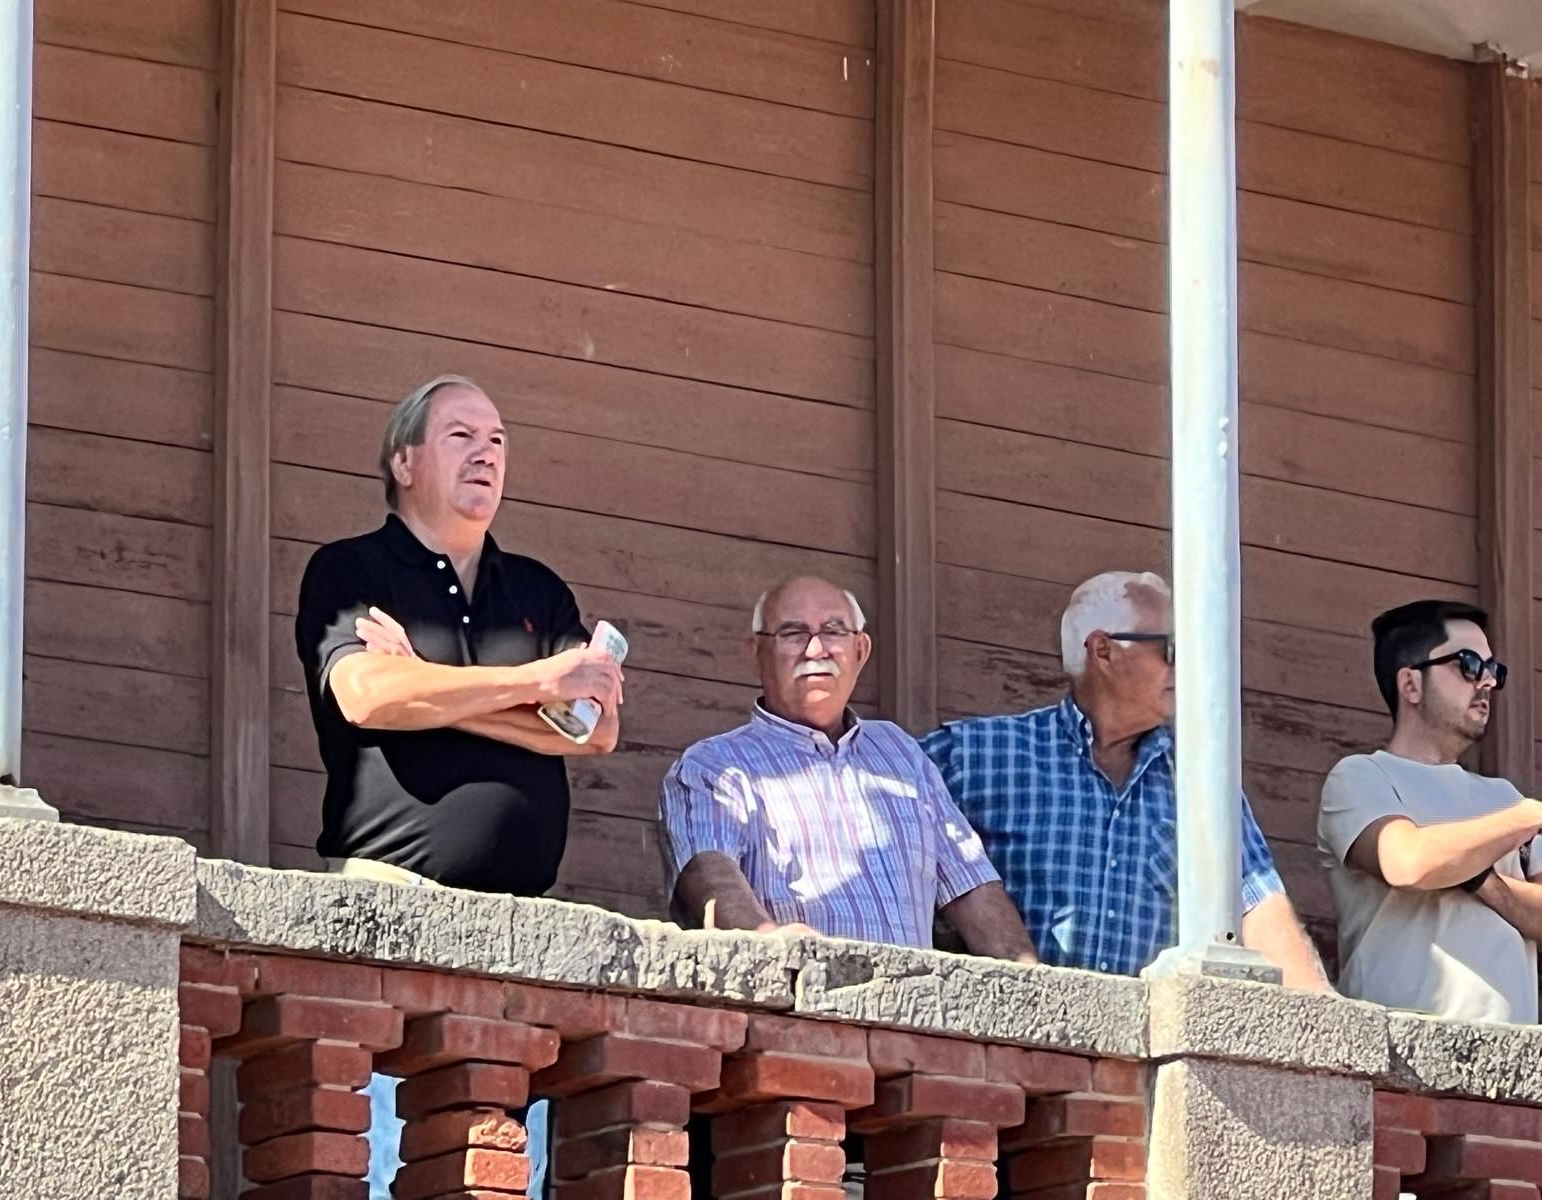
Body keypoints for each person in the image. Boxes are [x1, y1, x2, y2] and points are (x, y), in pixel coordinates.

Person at [293, 374, 623, 1198]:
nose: (486, 454)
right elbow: (366, 695)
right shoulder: (350, 570)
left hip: (523, 929)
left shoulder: (539, 590)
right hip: (390, 909)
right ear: (404, 461)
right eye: (461, 437)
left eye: (498, 440)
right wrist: (536, 683)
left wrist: (433, 691)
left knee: (505, 1172)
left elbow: (596, 730)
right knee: (377, 1171)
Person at [923, 570, 1330, 989]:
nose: (1191, 664)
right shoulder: (974, 756)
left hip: (1143, 1048)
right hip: (1007, 1041)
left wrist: (1329, 1027)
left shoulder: (1203, 783)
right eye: (1172, 648)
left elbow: (1260, 911)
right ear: (1103, 650)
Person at [659, 575, 1037, 960]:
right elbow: (709, 877)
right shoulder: (714, 766)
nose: (816, 648)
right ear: (756, 651)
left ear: (860, 649)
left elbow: (972, 885)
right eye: (793, 633)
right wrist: (768, 943)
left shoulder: (899, 753)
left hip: (912, 1011)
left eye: (834, 631)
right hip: (799, 1003)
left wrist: (1030, 983)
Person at [1319, 599, 1542, 1022]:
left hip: (1514, 1066)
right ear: (1411, 685)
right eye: (1470, 664)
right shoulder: (1360, 777)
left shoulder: (1505, 795)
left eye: (1494, 670)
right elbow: (1407, 862)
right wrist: (1528, 816)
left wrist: (1482, 882)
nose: (1488, 682)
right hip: (1398, 1060)